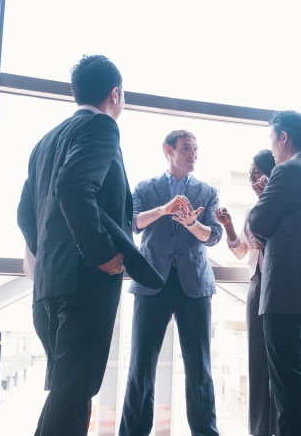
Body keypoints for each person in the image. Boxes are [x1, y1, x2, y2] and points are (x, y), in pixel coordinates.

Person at [17, 54, 131, 436]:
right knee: (71, 394)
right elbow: (72, 188)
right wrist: (101, 256)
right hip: (82, 287)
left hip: (48, 287)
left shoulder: (45, 142)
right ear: (115, 94)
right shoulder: (101, 127)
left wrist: (50, 256)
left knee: (69, 393)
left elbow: (24, 213)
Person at [120, 130, 222, 436]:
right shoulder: (145, 188)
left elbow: (214, 235)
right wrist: (164, 209)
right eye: (187, 149)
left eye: (196, 149)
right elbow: (133, 223)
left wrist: (193, 224)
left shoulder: (207, 192)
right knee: (141, 366)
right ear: (169, 150)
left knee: (199, 368)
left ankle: (206, 432)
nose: (193, 155)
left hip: (195, 286)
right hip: (152, 283)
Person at [248, 110, 301, 436]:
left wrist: (264, 196)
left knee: (288, 386)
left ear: (284, 137)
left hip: (285, 293)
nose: (271, 149)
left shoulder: (286, 172)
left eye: (272, 139)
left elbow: (256, 225)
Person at [214, 149, 278, 436]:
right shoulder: (253, 211)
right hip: (257, 284)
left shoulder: (280, 204)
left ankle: (280, 427)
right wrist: (228, 227)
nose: (253, 180)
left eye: (257, 174)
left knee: (279, 361)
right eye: (250, 176)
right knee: (257, 361)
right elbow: (242, 251)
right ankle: (259, 430)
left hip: (279, 284)